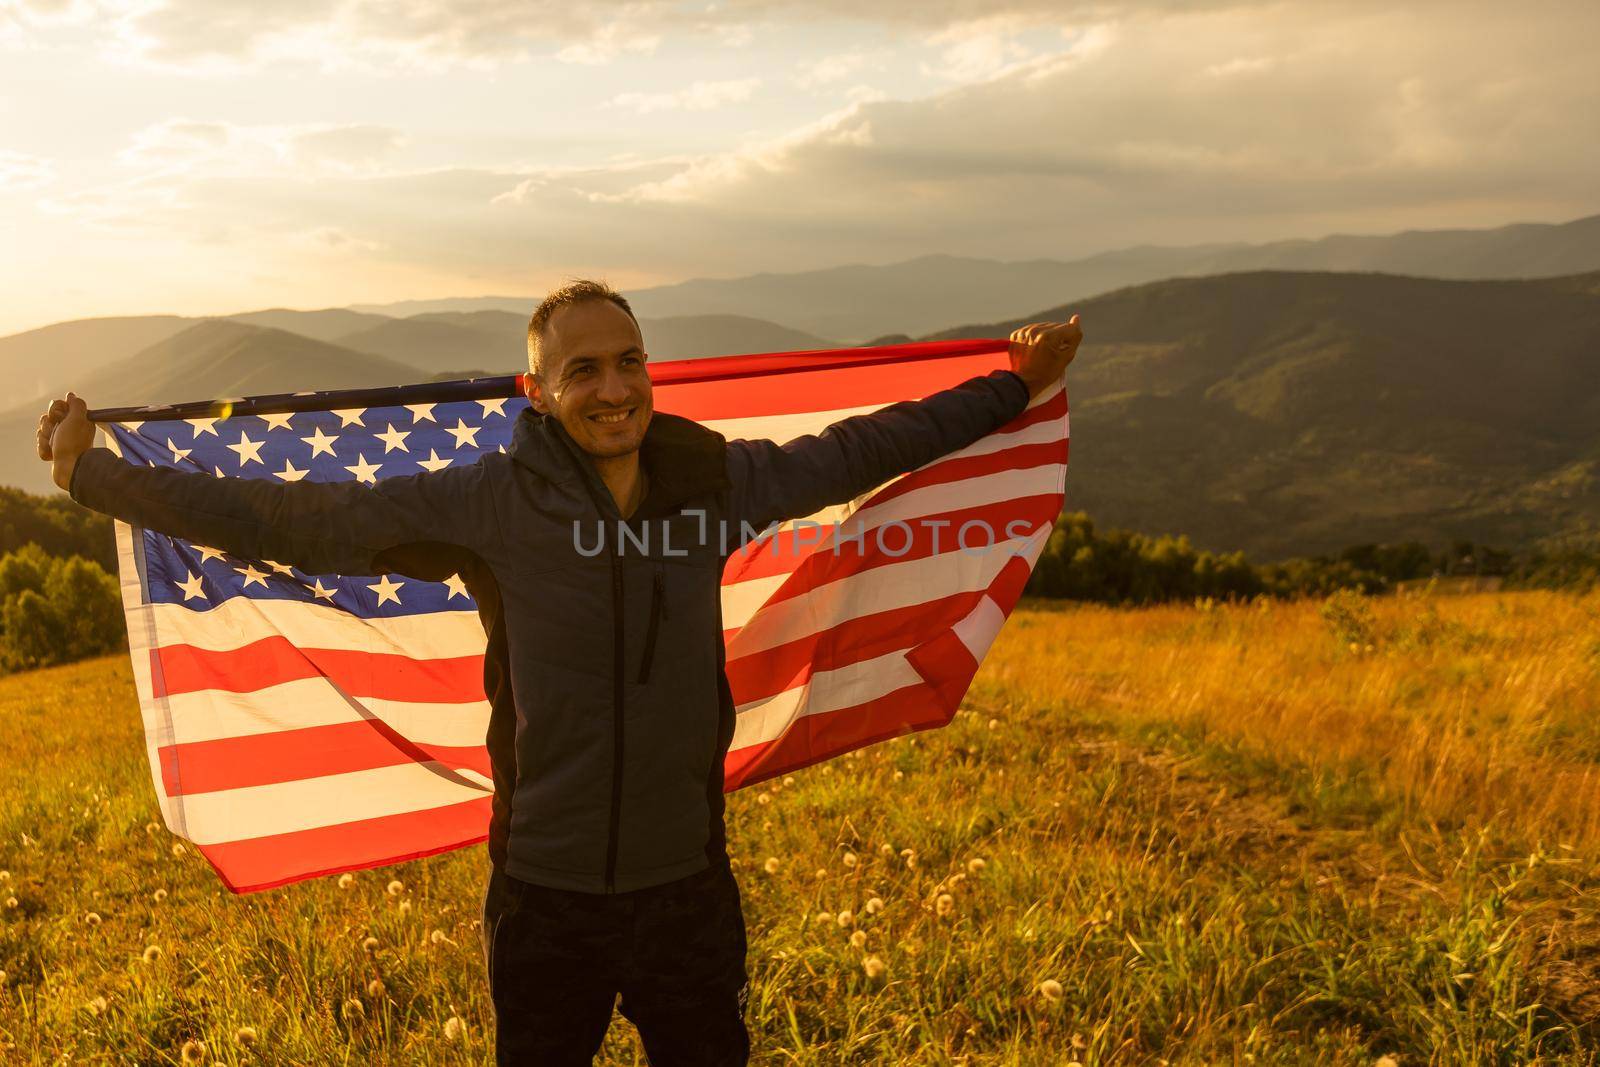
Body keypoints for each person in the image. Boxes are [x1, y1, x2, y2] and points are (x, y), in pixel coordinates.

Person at [38, 280, 1081, 1065]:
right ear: (537, 393)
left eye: (628, 361)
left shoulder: (713, 481)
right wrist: (96, 474)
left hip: (687, 888)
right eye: (582, 371)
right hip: (545, 899)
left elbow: (868, 446)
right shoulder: (490, 502)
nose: (614, 387)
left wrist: (1011, 385)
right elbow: (296, 519)